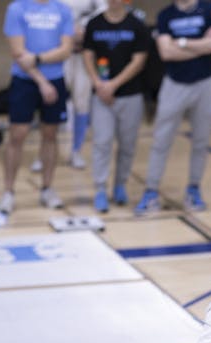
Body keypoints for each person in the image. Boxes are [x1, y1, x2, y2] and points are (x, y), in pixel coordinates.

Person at [134, 0, 211, 216]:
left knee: (201, 141)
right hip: (174, 84)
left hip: (204, 83)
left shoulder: (208, 10)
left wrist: (180, 43)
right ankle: (151, 191)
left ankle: (193, 189)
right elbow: (166, 53)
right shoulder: (166, 15)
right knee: (161, 141)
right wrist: (198, 46)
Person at [0, 0, 74, 214]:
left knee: (50, 134)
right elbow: (18, 53)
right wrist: (41, 82)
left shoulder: (62, 10)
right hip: (24, 81)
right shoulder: (17, 9)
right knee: (17, 134)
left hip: (56, 78)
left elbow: (66, 49)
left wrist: (39, 58)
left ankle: (47, 188)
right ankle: (8, 192)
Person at [82, 0, 148, 212]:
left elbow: (139, 61)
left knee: (127, 144)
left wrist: (114, 84)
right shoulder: (94, 24)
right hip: (101, 96)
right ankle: (100, 188)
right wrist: (98, 84)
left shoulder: (137, 24)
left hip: (130, 95)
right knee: (102, 142)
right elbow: (87, 55)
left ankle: (120, 185)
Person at [61, 0, 104, 171]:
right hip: (60, 54)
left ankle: (76, 151)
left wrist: (85, 31)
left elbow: (103, 13)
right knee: (52, 102)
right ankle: (44, 155)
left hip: (85, 55)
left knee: (82, 103)